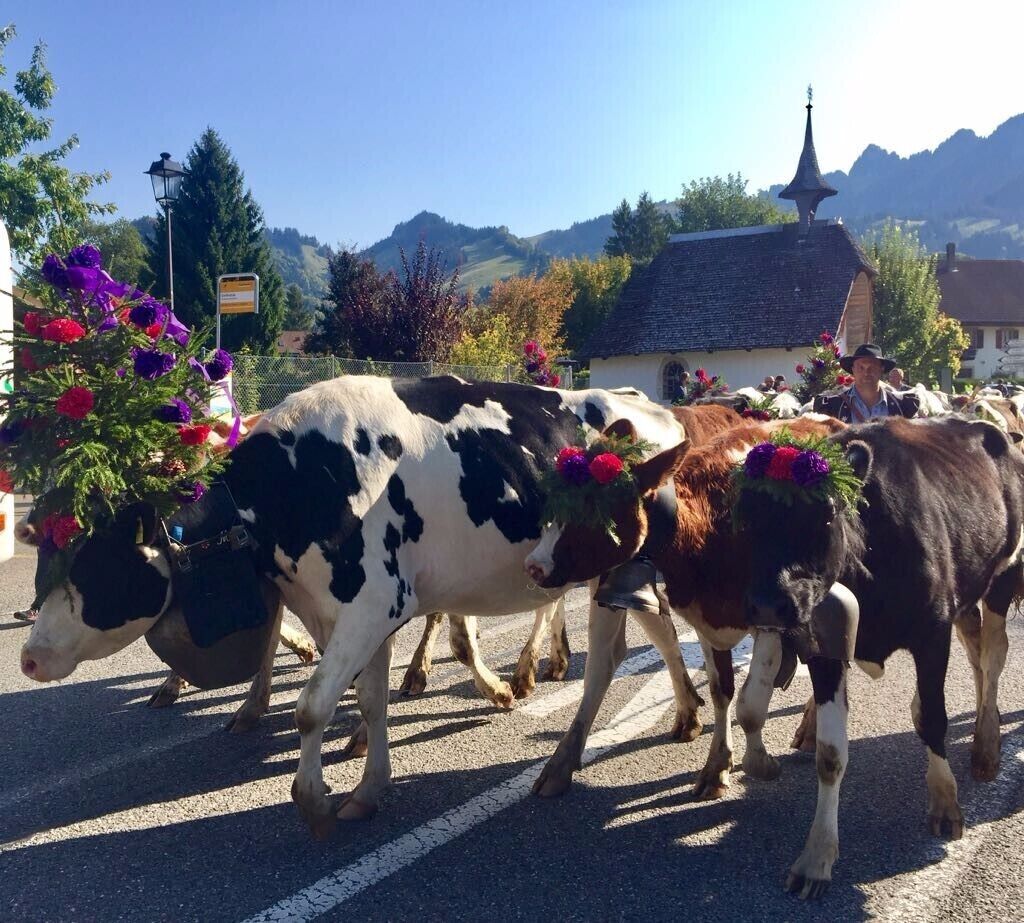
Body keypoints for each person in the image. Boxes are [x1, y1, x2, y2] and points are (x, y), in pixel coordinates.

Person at [814, 343, 919, 422]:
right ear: (853, 369)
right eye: (861, 367)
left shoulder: (902, 405)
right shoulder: (833, 405)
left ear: (881, 369)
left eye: (872, 367)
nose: (866, 372)